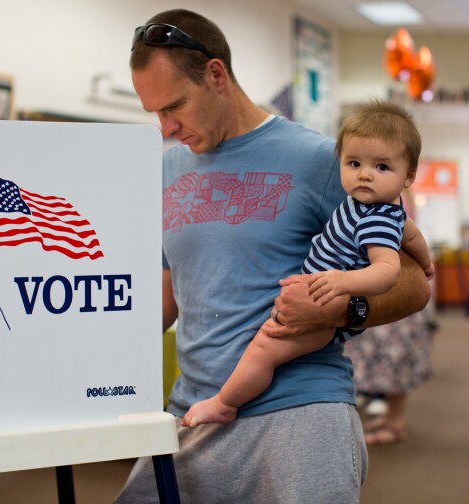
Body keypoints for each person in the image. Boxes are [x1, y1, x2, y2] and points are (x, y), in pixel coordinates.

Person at [116, 9, 430, 504]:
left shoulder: (320, 160)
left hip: (300, 407)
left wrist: (343, 308)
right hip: (195, 409)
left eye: (174, 106)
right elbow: (170, 294)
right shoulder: (165, 169)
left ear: (216, 75)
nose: (165, 126)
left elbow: (415, 282)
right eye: (153, 111)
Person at [182, 100, 434, 428]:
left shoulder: (377, 221)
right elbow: (411, 236)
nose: (365, 175)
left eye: (382, 167)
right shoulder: (377, 207)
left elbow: (387, 271)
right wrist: (427, 263)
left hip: (326, 311)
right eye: (354, 163)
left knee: (264, 348)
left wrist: (342, 283)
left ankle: (225, 403)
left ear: (408, 176)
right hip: (319, 294)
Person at [344, 188, 436, 446]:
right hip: (384, 286)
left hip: (395, 286)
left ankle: (396, 422)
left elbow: (410, 238)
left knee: (394, 357)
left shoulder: (391, 201)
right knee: (381, 357)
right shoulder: (389, 195)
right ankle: (391, 417)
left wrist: (426, 265)